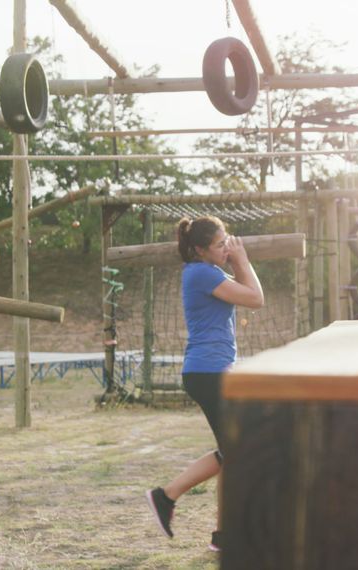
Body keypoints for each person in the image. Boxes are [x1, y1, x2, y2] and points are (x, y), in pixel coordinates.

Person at [145, 216, 264, 552]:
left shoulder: (208, 272)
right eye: (219, 244)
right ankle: (165, 496)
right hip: (209, 374)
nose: (226, 247)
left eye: (227, 239)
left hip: (212, 373)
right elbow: (256, 298)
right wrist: (243, 260)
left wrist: (236, 262)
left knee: (233, 451)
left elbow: (246, 293)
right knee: (238, 449)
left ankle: (224, 535)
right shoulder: (202, 273)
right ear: (199, 249)